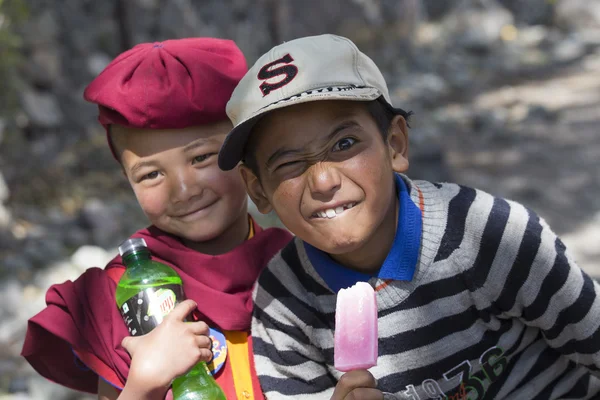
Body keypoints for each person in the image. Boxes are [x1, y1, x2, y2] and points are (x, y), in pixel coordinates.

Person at [217, 33, 600, 399]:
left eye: (344, 144)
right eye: (288, 164)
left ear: (395, 145)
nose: (323, 181)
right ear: (258, 190)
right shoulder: (284, 306)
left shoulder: (488, 234)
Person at [21, 38, 292, 400]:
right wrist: (144, 383)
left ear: (243, 149)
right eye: (150, 175)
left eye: (201, 158)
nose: (183, 190)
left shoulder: (299, 264)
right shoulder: (124, 293)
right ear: (127, 180)